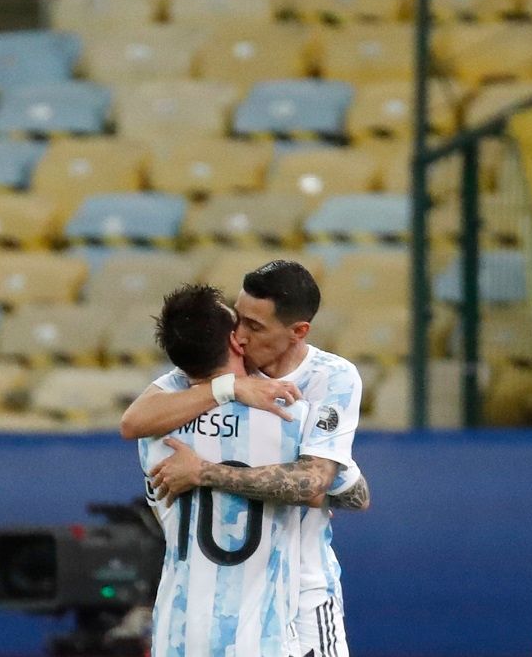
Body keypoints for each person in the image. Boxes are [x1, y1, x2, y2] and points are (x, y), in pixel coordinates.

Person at [124, 260, 370, 657]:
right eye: (238, 320)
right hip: (268, 619)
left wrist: (204, 471)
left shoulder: (332, 378)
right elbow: (338, 489)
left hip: (291, 595)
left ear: (298, 332)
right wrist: (229, 388)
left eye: (254, 327)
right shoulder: (291, 415)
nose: (240, 334)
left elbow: (136, 423)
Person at [139, 284, 309, 656]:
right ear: (236, 342)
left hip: (176, 636)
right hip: (259, 637)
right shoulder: (286, 415)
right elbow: (341, 488)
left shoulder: (154, 428)